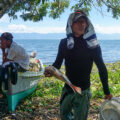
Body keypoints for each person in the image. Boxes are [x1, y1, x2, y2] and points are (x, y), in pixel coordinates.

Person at [44, 10, 112, 120]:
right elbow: (57, 63)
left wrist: (106, 91)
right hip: (67, 89)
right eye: (77, 22)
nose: (81, 24)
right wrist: (50, 71)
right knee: (64, 116)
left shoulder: (93, 45)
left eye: (83, 21)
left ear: (87, 24)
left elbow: (102, 68)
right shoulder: (64, 43)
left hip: (83, 92)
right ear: (71, 24)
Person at [0, 32, 29, 98]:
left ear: (8, 41)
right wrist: (4, 50)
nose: (0, 42)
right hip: (15, 64)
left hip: (23, 66)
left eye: (2, 40)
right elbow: (4, 61)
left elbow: (5, 62)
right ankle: (4, 88)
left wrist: (2, 50)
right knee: (3, 67)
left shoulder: (13, 48)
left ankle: (6, 87)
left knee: (5, 66)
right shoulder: (8, 47)